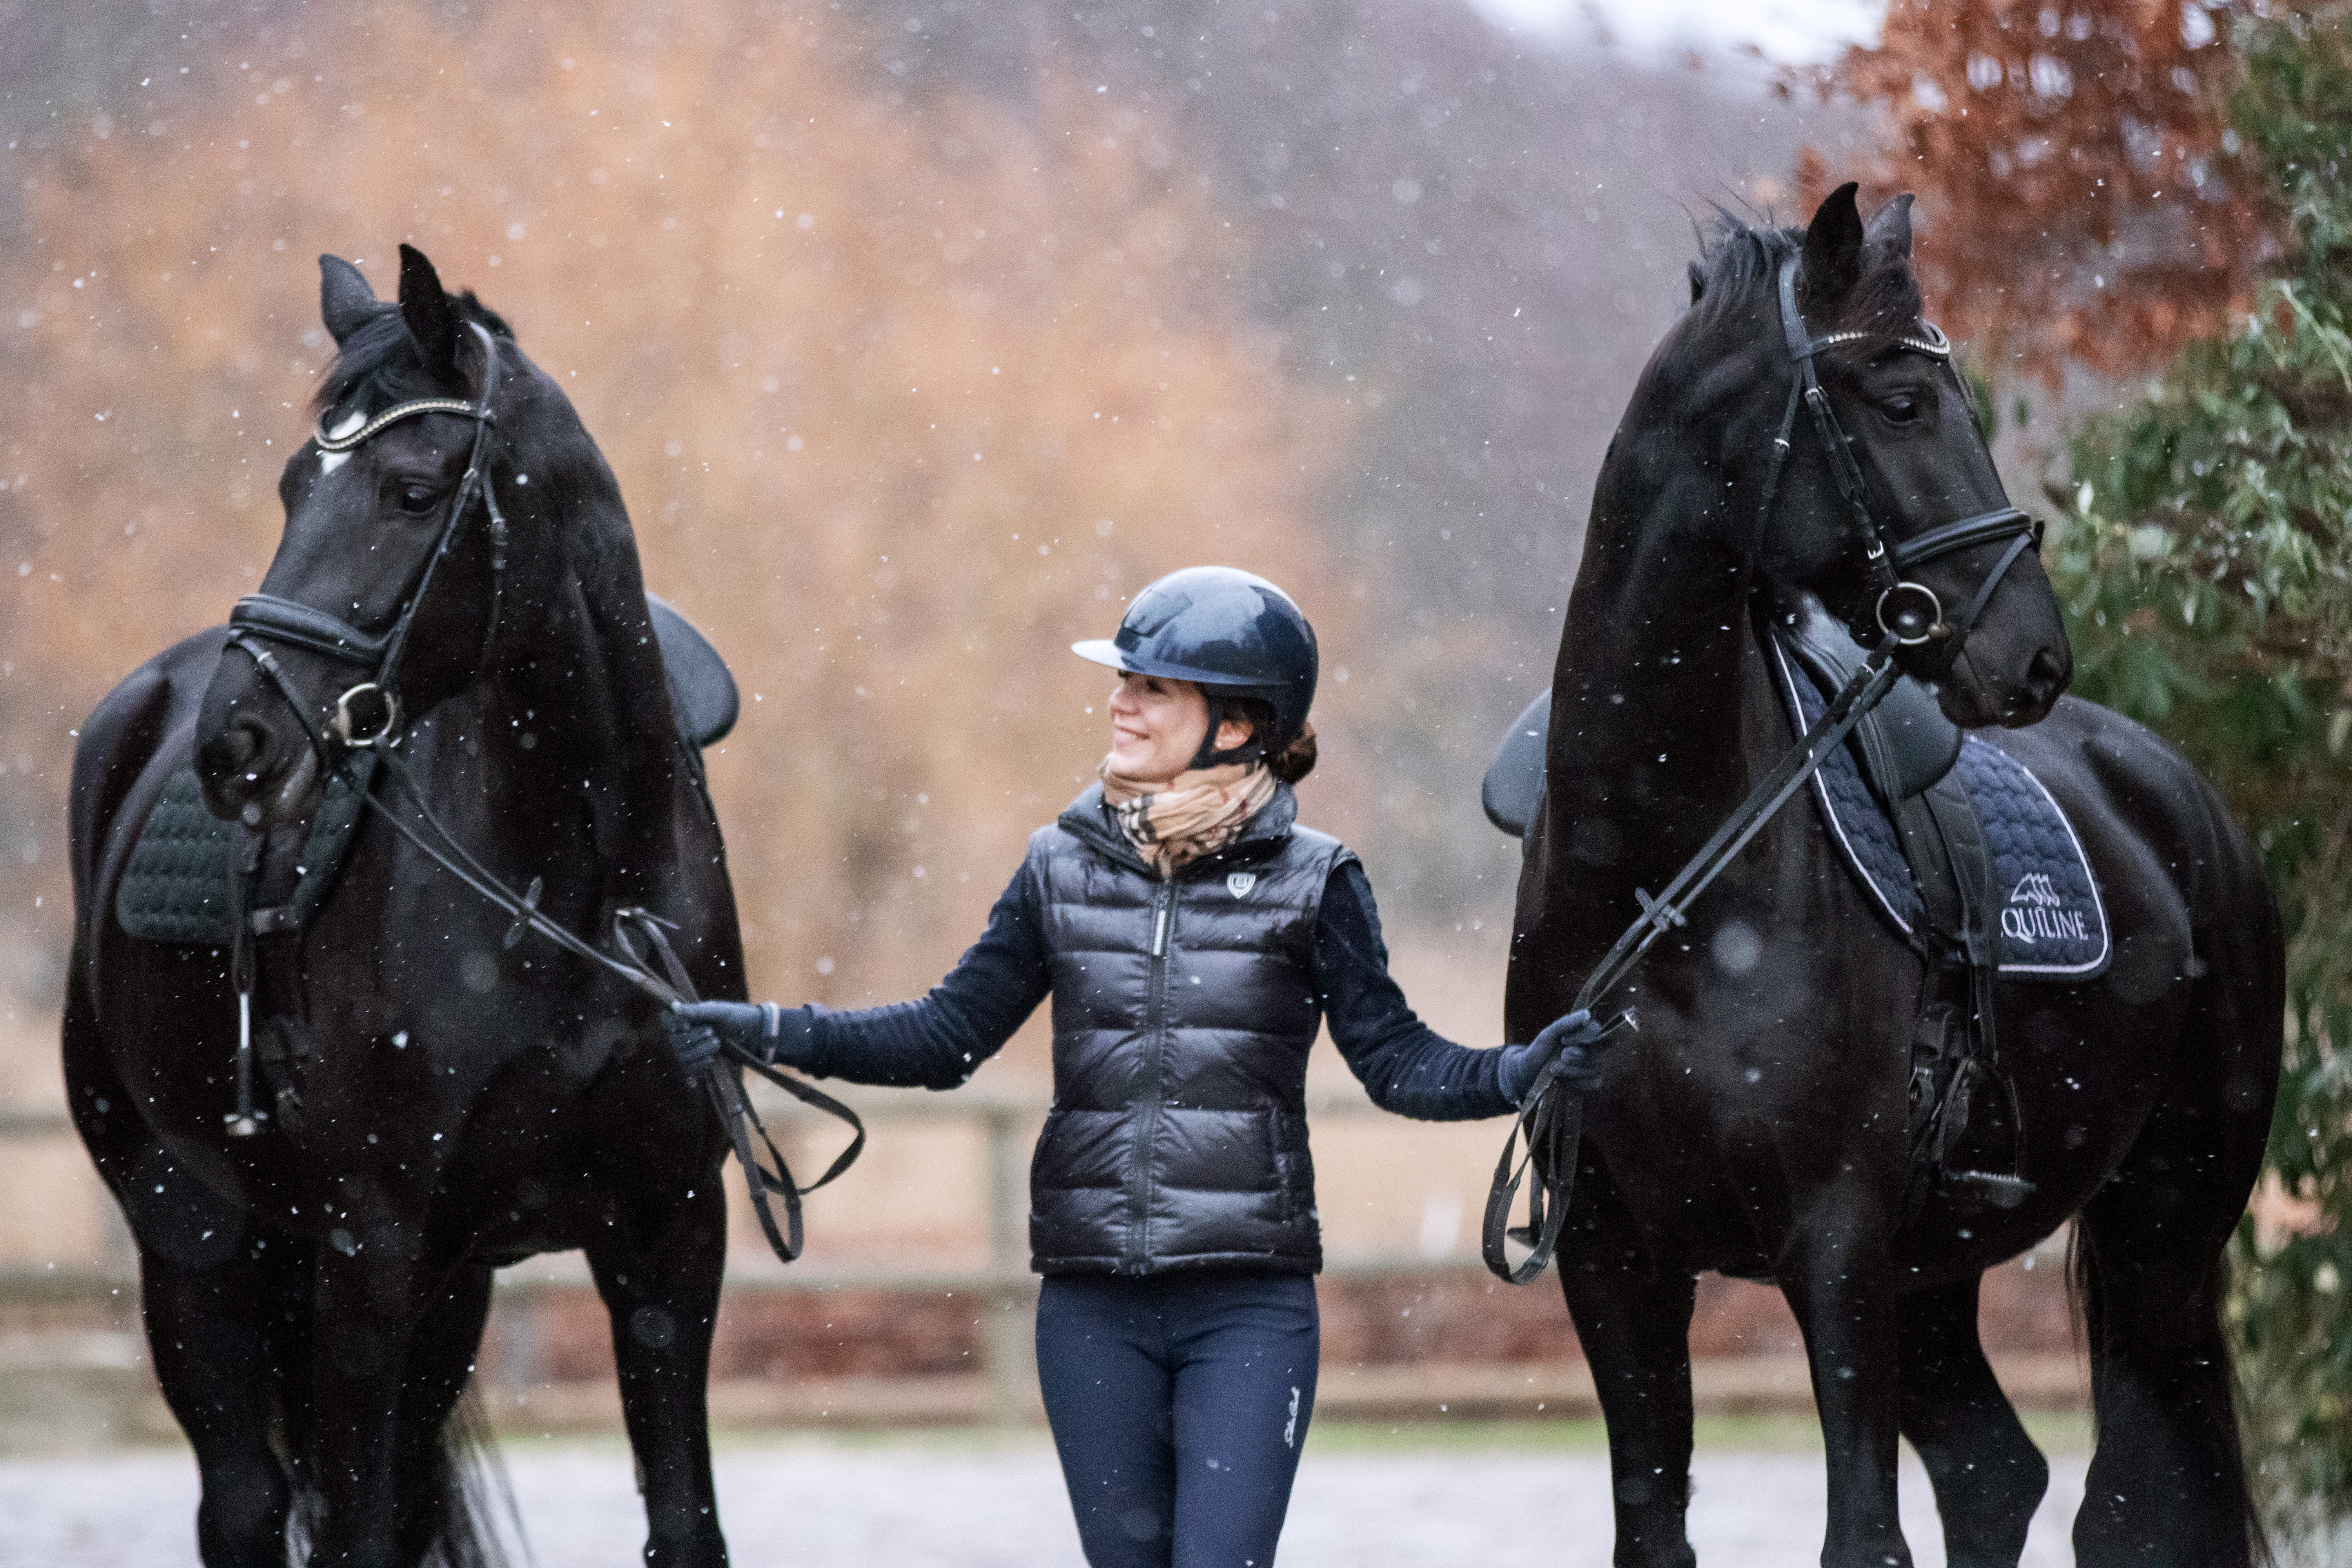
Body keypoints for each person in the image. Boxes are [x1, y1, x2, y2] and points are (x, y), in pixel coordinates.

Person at [661, 566, 1604, 1568]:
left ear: (1237, 723)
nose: (1122, 702)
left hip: (1248, 1305)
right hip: (1089, 1306)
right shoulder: (1057, 865)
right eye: (1126, 681)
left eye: (1153, 687)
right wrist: (765, 1027)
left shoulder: (1316, 881)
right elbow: (945, 1034)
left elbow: (1396, 1060)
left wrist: (1518, 1071)